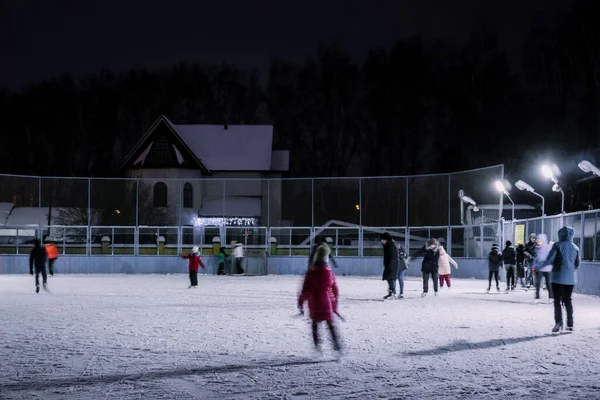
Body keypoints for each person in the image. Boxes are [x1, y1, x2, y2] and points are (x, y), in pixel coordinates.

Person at [298, 244, 342, 354]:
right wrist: (334, 306)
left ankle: (317, 346)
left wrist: (300, 305)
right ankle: (336, 344)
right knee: (330, 323)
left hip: (314, 304)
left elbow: (304, 291)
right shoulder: (329, 273)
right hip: (326, 303)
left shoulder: (310, 274)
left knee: (315, 324)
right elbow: (335, 290)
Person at [542, 226, 580, 333]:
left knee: (557, 301)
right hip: (570, 279)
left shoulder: (557, 245)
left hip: (557, 277)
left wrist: (542, 265)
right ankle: (570, 324)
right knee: (568, 301)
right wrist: (570, 269)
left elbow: (550, 259)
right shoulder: (576, 247)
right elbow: (577, 264)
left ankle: (558, 322)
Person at [532, 234, 554, 302]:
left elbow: (551, 258)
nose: (538, 242)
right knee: (537, 284)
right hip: (539, 269)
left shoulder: (548, 248)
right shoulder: (536, 249)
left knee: (549, 284)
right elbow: (535, 259)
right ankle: (537, 298)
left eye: (540, 240)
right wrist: (533, 267)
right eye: (537, 240)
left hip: (548, 269)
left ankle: (551, 297)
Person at [380, 233, 399, 300]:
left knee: (391, 279)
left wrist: (390, 266)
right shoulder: (388, 245)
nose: (381, 241)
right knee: (389, 279)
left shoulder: (391, 245)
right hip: (390, 265)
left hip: (392, 265)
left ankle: (393, 293)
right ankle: (391, 293)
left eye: (382, 239)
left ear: (386, 239)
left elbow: (392, 257)